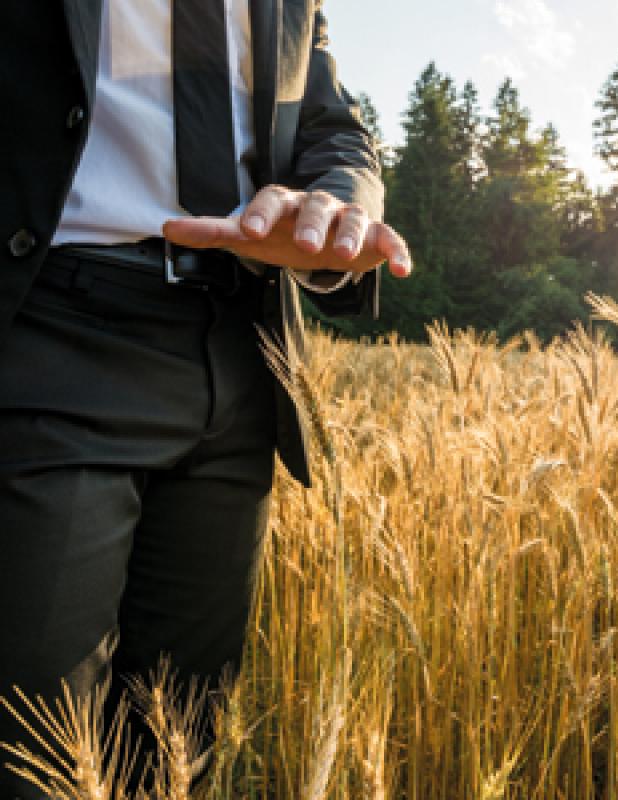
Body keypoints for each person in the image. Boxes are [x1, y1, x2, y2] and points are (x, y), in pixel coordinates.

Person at [0, 1, 408, 796]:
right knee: (36, 764)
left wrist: (337, 204)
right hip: (57, 334)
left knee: (176, 754)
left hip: (242, 358)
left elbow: (331, 128)